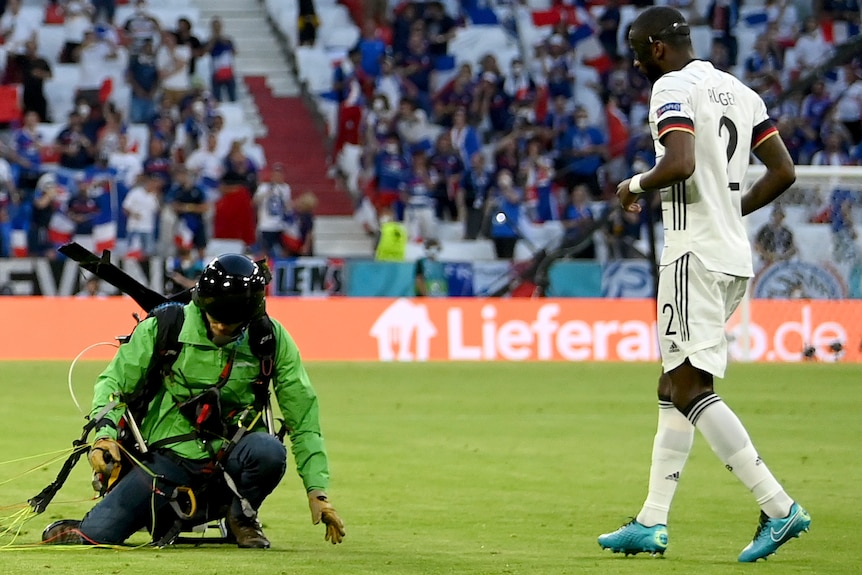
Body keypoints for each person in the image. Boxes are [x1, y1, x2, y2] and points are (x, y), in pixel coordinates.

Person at [601, 6, 810, 563]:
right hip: (731, 255)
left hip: (692, 253)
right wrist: (729, 209)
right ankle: (651, 520)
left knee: (692, 390)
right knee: (673, 385)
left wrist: (634, 184)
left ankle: (778, 505)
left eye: (639, 51)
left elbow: (681, 161)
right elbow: (784, 171)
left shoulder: (671, 86)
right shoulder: (740, 91)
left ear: (657, 48)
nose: (639, 63)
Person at [41, 254, 345, 548]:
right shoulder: (166, 325)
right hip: (166, 457)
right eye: (215, 319)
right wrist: (104, 436)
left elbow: (303, 417)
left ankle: (242, 517)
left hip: (232, 453)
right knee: (99, 535)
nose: (221, 328)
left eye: (232, 323)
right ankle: (139, 516)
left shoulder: (269, 338)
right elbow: (113, 383)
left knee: (269, 451)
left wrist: (317, 491)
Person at [753, 205, 797, 269]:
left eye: (780, 216)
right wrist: (767, 254)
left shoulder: (787, 232)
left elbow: (793, 248)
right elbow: (757, 244)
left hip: (782, 261)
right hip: (766, 260)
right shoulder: (766, 230)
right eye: (776, 215)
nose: (778, 218)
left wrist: (784, 256)